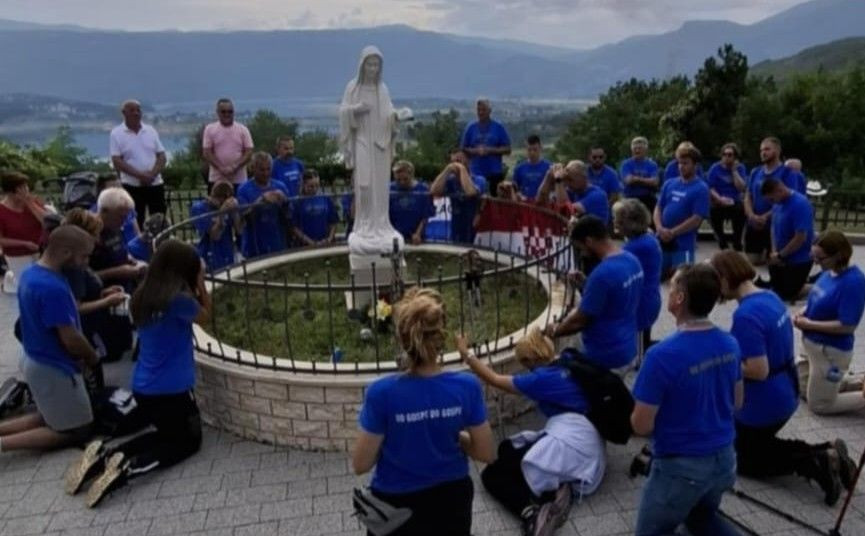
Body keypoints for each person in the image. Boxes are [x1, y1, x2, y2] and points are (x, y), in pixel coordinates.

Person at [66, 239, 211, 507]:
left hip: (143, 386)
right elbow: (205, 315)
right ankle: (128, 470)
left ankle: (108, 454)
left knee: (166, 433)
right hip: (173, 390)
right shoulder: (179, 302)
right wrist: (199, 281)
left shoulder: (141, 298)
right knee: (188, 442)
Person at [711, 250, 853, 505]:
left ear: (725, 277)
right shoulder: (770, 297)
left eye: (715, 281)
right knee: (754, 444)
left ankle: (816, 461)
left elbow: (758, 370)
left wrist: (721, 361)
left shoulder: (745, 316)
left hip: (762, 404)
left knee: (743, 459)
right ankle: (827, 450)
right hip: (786, 390)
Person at [352, 289, 495, 536]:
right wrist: (456, 436)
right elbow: (486, 453)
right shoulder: (467, 386)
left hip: (395, 507)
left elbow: (360, 464)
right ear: (442, 337)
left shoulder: (381, 393)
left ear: (401, 339)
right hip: (451, 500)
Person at [631, 263, 743, 536]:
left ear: (680, 298)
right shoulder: (730, 343)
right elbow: (737, 402)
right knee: (702, 519)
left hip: (682, 470)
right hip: (724, 460)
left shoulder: (661, 356)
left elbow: (641, 425)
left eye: (671, 288)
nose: (668, 292)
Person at [462, 327, 605, 535]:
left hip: (571, 444)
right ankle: (555, 489)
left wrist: (466, 354)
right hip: (587, 437)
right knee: (506, 448)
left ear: (531, 359)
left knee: (492, 475)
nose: (525, 368)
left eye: (524, 363)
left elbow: (494, 379)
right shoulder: (566, 361)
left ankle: (532, 513)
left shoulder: (540, 379)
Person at [1, 226, 98, 452]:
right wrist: (91, 357)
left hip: (35, 357)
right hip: (54, 366)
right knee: (76, 429)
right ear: (66, 253)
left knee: (50, 415)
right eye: (84, 256)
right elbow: (70, 338)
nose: (86, 262)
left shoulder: (31, 273)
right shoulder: (53, 288)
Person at [546, 215, 642, 371]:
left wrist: (555, 330)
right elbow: (615, 295)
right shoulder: (632, 260)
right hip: (628, 346)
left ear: (589, 241)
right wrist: (587, 283)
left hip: (604, 356)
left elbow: (579, 321)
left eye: (580, 248)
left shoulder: (602, 274)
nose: (582, 254)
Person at [338, 46, 404, 255]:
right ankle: (365, 226)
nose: (373, 68)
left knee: (380, 186)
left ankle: (380, 224)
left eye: (376, 65)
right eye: (370, 64)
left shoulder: (382, 89)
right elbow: (343, 112)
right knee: (364, 184)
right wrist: (355, 110)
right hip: (362, 140)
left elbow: (389, 114)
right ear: (362, 65)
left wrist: (397, 116)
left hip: (380, 144)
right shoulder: (353, 88)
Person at [794, 230, 865, 415]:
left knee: (819, 405)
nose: (816, 263)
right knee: (802, 388)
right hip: (810, 346)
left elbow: (847, 326)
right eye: (813, 256)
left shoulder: (853, 282)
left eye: (820, 258)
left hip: (830, 351)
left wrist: (809, 324)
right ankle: (851, 382)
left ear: (838, 256)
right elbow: (818, 298)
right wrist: (804, 311)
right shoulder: (829, 272)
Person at [61, 208, 129, 371]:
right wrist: (106, 301)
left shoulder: (81, 260)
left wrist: (103, 293)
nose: (99, 239)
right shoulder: (74, 267)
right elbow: (76, 307)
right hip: (87, 328)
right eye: (96, 234)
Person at [744, 137, 806, 265]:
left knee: (774, 261)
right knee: (752, 261)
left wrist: (765, 217)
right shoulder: (755, 172)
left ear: (777, 151)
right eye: (761, 150)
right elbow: (748, 196)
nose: (763, 153)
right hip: (755, 222)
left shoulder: (787, 173)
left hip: (776, 223)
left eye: (767, 149)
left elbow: (789, 200)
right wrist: (751, 216)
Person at [613, 199, 662, 359]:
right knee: (642, 342)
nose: (615, 223)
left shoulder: (634, 247)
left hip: (641, 305)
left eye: (618, 221)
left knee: (638, 354)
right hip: (649, 299)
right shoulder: (648, 237)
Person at [653, 143, 710, 279]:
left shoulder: (701, 188)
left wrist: (673, 232)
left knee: (683, 279)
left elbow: (696, 219)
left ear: (695, 165)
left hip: (683, 242)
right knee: (655, 274)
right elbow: (658, 208)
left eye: (685, 163)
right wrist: (659, 227)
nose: (681, 166)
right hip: (662, 237)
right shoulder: (669, 183)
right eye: (679, 163)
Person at [109, 99, 167, 228]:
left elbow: (162, 156)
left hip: (155, 184)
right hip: (132, 186)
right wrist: (140, 175)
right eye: (132, 110)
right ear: (124, 113)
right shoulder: (116, 133)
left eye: (138, 110)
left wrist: (151, 175)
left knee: (159, 220)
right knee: (135, 220)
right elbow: (117, 161)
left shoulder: (150, 131)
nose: (136, 113)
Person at [756, 177, 814, 302]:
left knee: (789, 294)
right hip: (780, 256)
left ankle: (815, 285)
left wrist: (781, 255)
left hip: (798, 258)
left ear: (780, 190)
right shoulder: (777, 204)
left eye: (772, 199)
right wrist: (774, 252)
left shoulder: (800, 204)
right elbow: (773, 228)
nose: (771, 202)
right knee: (777, 291)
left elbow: (800, 237)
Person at [0, 171, 51, 294]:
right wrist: (24, 243)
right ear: (10, 192)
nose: (25, 191)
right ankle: (11, 279)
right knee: (29, 285)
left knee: (44, 280)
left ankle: (12, 278)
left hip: (40, 250)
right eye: (20, 189)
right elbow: (1, 240)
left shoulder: (32, 202)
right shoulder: (2, 210)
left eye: (26, 187)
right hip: (17, 254)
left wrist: (29, 203)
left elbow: (48, 222)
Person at [236, 151, 290, 257]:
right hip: (254, 247)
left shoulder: (280, 186)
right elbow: (243, 220)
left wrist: (285, 202)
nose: (266, 173)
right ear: (253, 168)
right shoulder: (243, 189)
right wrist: (260, 201)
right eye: (262, 170)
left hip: (278, 244)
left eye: (268, 169)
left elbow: (289, 216)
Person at [92, 187, 145, 293]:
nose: (123, 222)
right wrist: (117, 272)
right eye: (120, 217)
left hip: (125, 288)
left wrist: (132, 261)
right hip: (104, 291)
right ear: (104, 212)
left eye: (125, 217)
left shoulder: (114, 228)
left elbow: (120, 250)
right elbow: (84, 277)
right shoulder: (90, 234)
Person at [429, 148, 487, 244]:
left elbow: (470, 192)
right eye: (453, 161)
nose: (455, 164)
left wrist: (462, 169)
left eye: (459, 160)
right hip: (456, 224)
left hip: (473, 224)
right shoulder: (451, 180)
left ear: (468, 161)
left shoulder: (479, 179)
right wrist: (447, 170)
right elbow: (434, 191)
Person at [460, 98, 511, 196]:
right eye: (478, 110)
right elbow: (463, 148)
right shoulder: (470, 127)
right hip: (475, 174)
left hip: (495, 173)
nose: (481, 112)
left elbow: (508, 149)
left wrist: (490, 150)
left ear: (490, 111)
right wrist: (475, 151)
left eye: (483, 110)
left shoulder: (498, 127)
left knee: (495, 201)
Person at [202, 98, 254, 190]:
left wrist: (235, 167)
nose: (227, 114)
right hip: (216, 179)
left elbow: (249, 152)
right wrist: (221, 168)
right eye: (223, 112)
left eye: (230, 111)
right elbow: (207, 152)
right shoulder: (209, 129)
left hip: (239, 180)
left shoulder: (243, 130)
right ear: (218, 112)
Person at [190, 181, 242, 271]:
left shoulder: (230, 207)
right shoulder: (199, 208)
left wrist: (235, 212)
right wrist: (221, 214)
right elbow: (215, 236)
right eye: (219, 196)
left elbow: (240, 230)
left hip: (227, 254)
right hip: (209, 255)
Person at [536, 160, 609, 223]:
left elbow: (565, 211)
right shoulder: (572, 191)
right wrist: (548, 176)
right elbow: (540, 203)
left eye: (570, 179)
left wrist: (558, 179)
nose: (567, 183)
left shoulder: (598, 195)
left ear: (584, 177)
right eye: (566, 179)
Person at [707, 143, 747, 251]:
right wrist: (719, 199)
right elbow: (710, 188)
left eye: (730, 155)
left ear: (735, 157)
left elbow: (741, 188)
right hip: (718, 200)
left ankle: (737, 242)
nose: (726, 157)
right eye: (724, 154)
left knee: (741, 210)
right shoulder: (715, 168)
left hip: (735, 200)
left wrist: (734, 171)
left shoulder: (740, 168)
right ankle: (722, 241)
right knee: (712, 211)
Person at [389, 160, 434, 245]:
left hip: (416, 236)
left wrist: (418, 234)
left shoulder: (423, 190)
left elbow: (425, 216)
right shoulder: (389, 189)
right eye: (398, 180)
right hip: (393, 235)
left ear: (412, 175)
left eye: (405, 179)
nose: (402, 182)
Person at [291, 169, 339, 246]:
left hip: (325, 243)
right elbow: (294, 227)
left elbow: (333, 222)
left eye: (317, 185)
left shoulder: (325, 199)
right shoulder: (298, 202)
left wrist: (329, 239)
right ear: (303, 185)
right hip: (305, 245)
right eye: (311, 186)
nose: (314, 189)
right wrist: (310, 242)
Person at [620, 137, 660, 215]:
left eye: (640, 148)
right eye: (635, 148)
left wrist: (636, 179)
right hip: (630, 198)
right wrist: (647, 180)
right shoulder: (626, 164)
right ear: (631, 150)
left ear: (646, 150)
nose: (637, 150)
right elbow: (628, 181)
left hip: (647, 198)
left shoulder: (652, 165)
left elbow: (655, 182)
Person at [512, 135, 551, 201]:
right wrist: (519, 196)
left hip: (544, 204)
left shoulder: (549, 167)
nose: (532, 153)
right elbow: (514, 189)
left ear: (540, 148)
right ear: (526, 149)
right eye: (529, 150)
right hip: (525, 204)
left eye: (535, 149)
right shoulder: (519, 169)